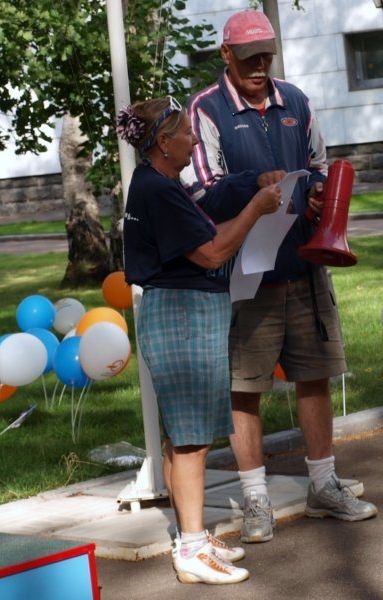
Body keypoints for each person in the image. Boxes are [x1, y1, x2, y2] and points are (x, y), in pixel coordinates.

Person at [181, 9, 378, 545]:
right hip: (245, 275)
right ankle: (256, 498)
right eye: (249, 57)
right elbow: (200, 192)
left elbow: (318, 164)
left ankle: (324, 485)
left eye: (266, 55)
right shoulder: (205, 108)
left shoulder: (296, 100)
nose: (259, 66)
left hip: (304, 264)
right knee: (244, 387)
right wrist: (254, 183)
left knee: (315, 374)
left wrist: (316, 192)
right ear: (226, 55)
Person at [117, 96, 281, 584]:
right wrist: (256, 208)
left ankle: (192, 537)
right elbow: (211, 253)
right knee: (191, 441)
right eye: (187, 133)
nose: (194, 141)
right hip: (182, 315)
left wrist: (250, 212)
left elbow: (206, 236)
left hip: (183, 313)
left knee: (183, 437)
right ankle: (190, 548)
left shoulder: (158, 184)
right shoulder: (159, 189)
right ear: (164, 143)